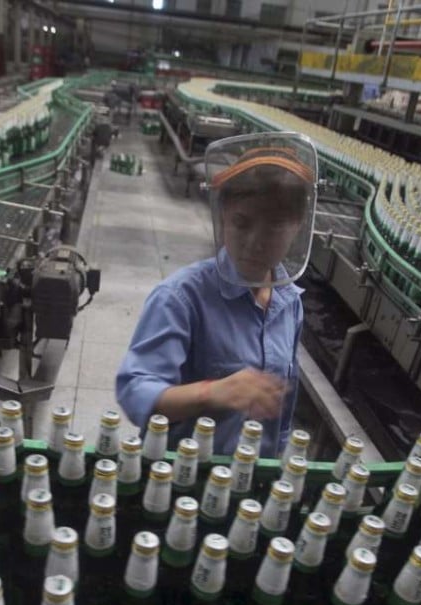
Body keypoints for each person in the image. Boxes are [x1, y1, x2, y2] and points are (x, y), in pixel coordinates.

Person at [116, 131, 317, 457]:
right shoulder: (182, 297)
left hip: (250, 480)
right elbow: (135, 391)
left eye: (274, 228)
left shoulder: (289, 302)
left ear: (296, 227)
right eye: (241, 223)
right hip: (185, 478)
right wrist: (212, 392)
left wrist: (279, 459)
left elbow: (282, 408)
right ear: (223, 216)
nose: (255, 242)